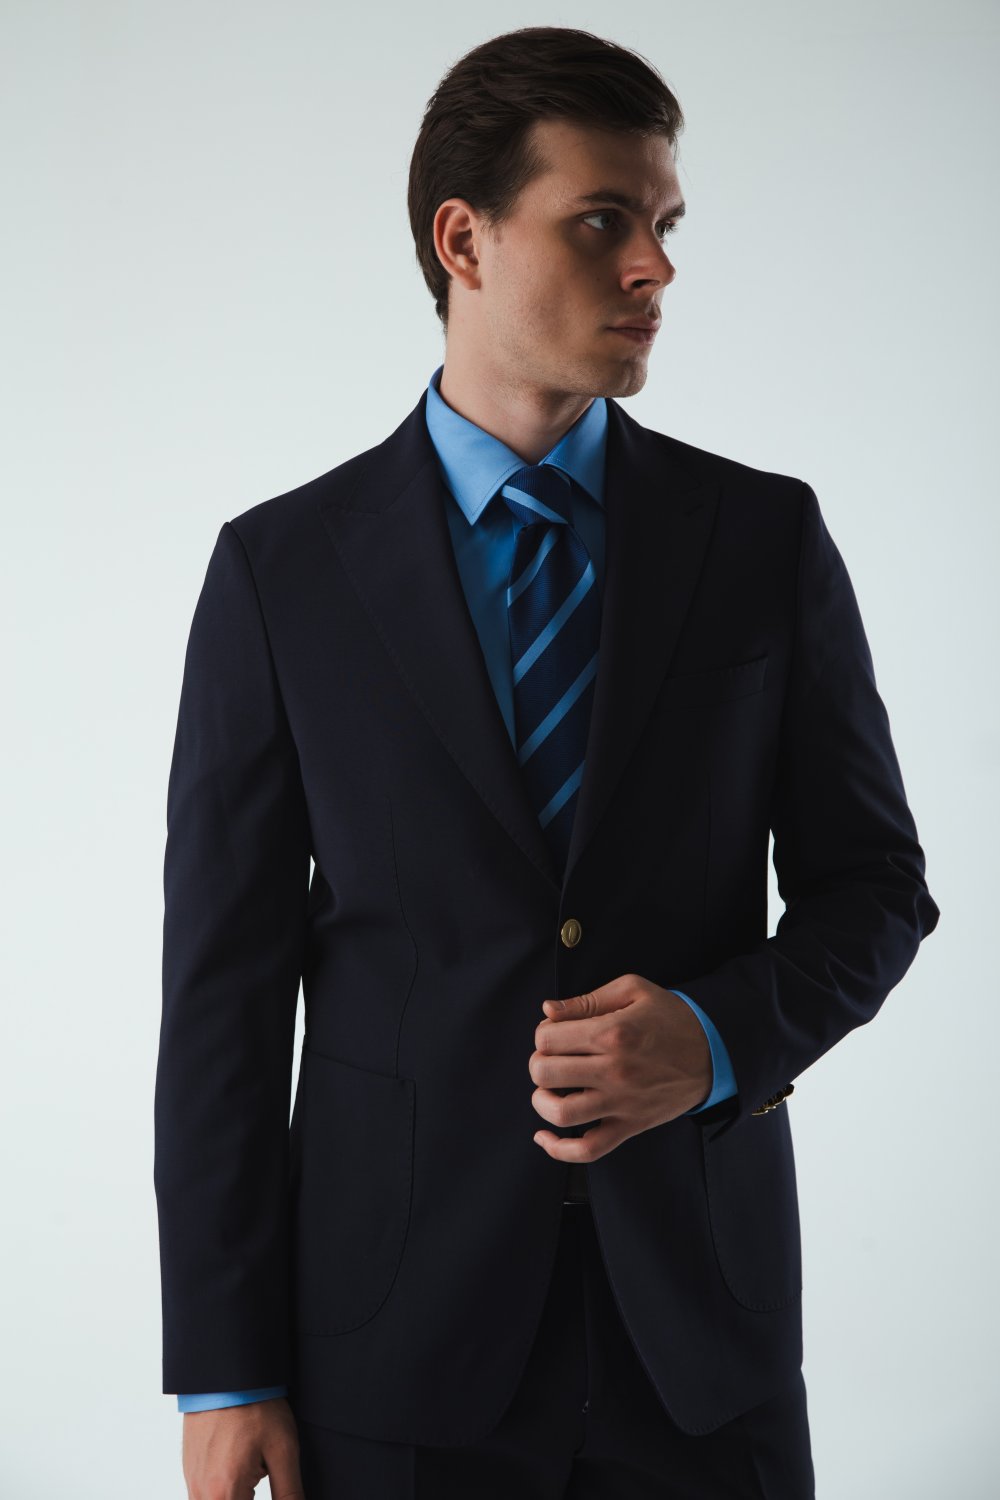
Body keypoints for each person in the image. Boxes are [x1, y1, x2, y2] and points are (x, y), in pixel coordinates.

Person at [153, 25, 940, 1499]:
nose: (654, 267)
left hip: (701, 1345)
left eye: (665, 225)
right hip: (389, 1350)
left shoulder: (761, 540)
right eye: (603, 221)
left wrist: (713, 1039)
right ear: (463, 240)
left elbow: (878, 890)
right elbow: (223, 995)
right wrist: (226, 1366)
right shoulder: (282, 574)